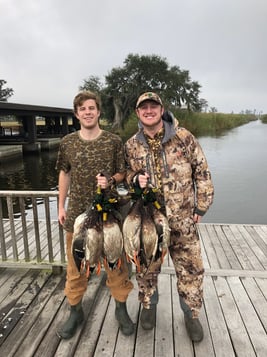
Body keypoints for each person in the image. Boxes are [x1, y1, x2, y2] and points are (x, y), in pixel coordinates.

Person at [124, 92, 214, 342]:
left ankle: (191, 314)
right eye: (144, 107)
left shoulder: (184, 137)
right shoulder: (131, 144)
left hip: (182, 219)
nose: (149, 110)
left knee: (191, 268)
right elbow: (128, 177)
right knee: (145, 267)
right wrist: (134, 179)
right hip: (149, 221)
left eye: (153, 106)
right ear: (137, 112)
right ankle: (148, 306)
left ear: (162, 109)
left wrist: (201, 206)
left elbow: (202, 172)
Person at [56, 91, 134, 339]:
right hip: (78, 216)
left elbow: (122, 174)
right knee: (75, 267)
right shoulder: (68, 142)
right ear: (76, 114)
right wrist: (61, 206)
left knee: (116, 265)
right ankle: (75, 311)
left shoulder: (113, 141)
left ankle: (120, 309)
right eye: (82, 109)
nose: (87, 112)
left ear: (99, 112)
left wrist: (110, 179)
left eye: (91, 107)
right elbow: (64, 174)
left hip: (109, 216)